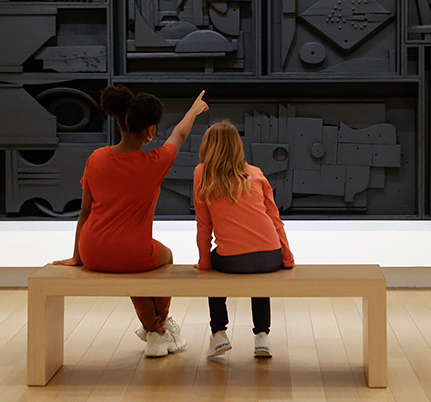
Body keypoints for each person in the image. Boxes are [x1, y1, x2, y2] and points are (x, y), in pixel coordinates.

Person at [55, 86, 208, 358]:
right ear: (150, 131)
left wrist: (76, 256)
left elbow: (85, 212)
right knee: (163, 257)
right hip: (133, 253)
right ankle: (156, 329)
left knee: (135, 262)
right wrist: (193, 110)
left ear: (119, 121)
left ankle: (156, 331)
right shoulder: (154, 162)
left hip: (91, 251)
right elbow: (180, 134)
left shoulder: (96, 159)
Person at [193, 120, 295, 359]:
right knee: (258, 273)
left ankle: (218, 333)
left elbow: (204, 224)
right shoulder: (256, 173)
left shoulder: (202, 172)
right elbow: (275, 219)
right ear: (238, 147)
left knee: (215, 268)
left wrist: (204, 263)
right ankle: (262, 337)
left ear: (208, 146)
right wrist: (287, 258)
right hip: (270, 255)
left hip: (232, 260)